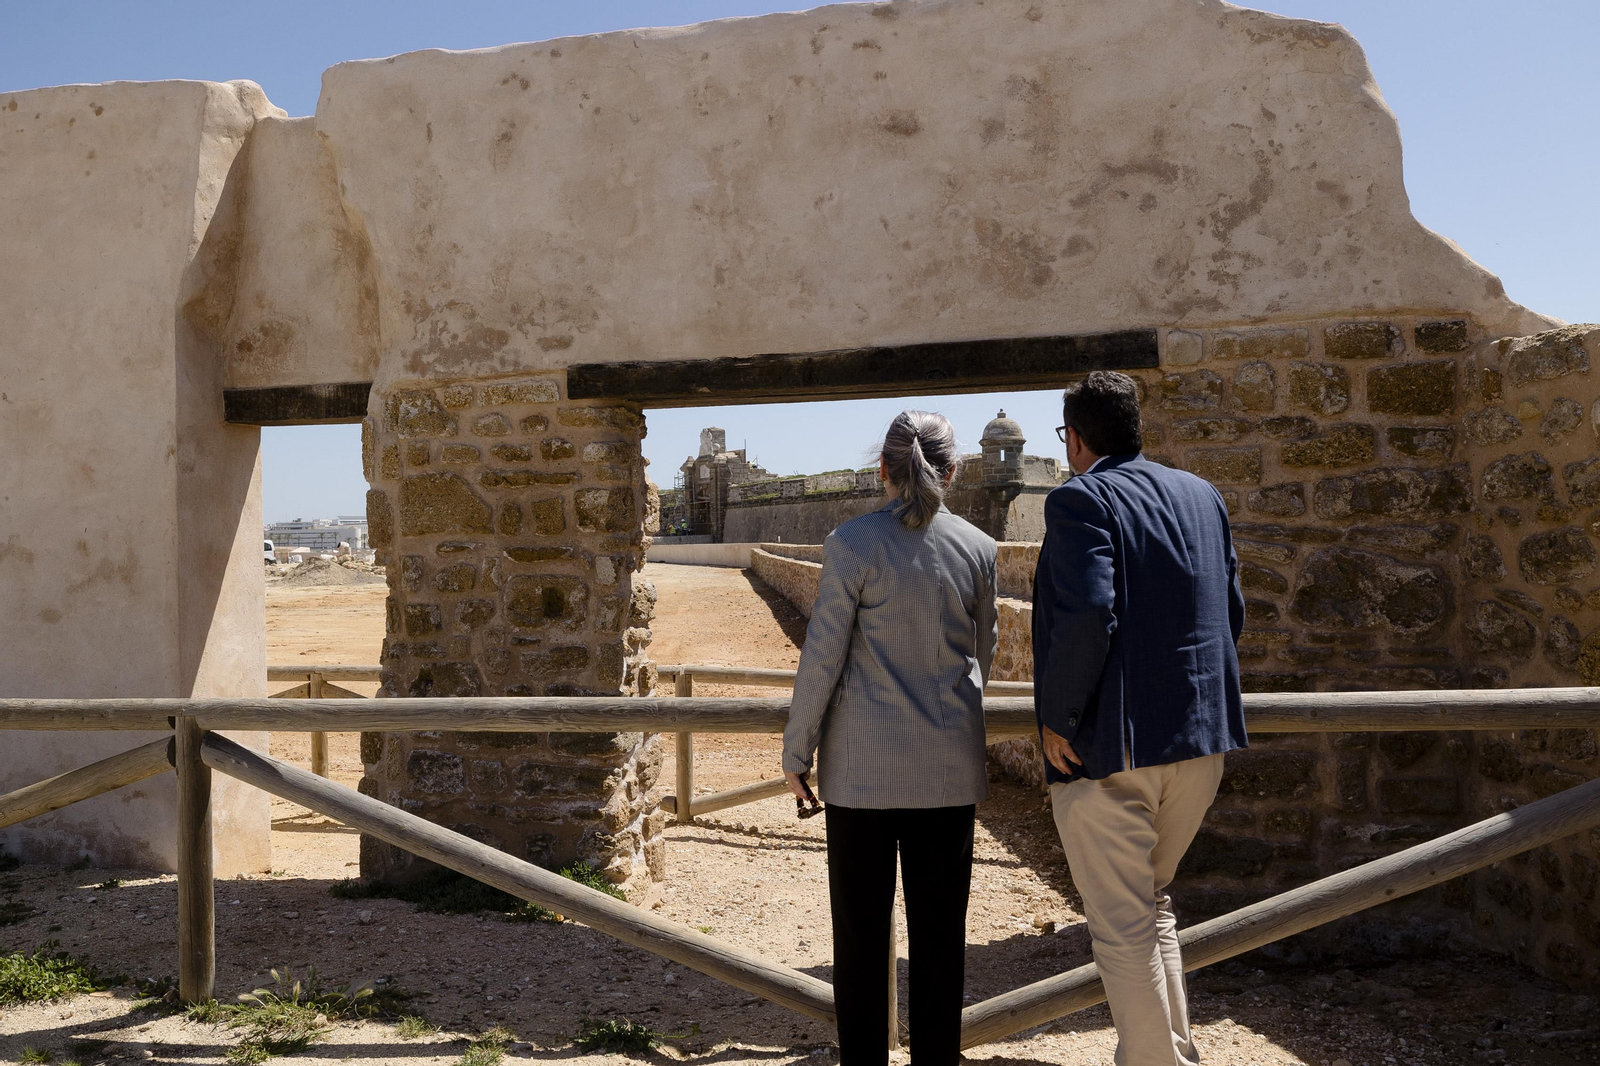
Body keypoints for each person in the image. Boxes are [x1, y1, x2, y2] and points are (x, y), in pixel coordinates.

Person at [1033, 370, 1248, 1066]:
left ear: (1075, 439)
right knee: (1152, 906)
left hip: (1112, 749)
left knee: (1123, 927)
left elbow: (1089, 614)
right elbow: (1232, 612)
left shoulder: (1079, 498)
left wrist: (1060, 718)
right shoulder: (1202, 494)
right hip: (1202, 742)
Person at [782, 410, 998, 1066]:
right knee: (941, 941)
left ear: (882, 469)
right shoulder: (979, 549)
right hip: (947, 773)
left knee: (860, 941)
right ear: (952, 472)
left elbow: (823, 655)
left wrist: (797, 751)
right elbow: (983, 658)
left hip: (862, 776)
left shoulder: (851, 543)